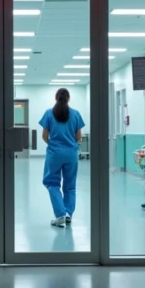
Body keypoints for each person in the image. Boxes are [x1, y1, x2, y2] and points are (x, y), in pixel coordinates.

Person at [39, 88, 85, 228]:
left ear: (56, 98)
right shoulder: (76, 114)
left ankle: (60, 215)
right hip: (71, 154)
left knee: (51, 183)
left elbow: (44, 136)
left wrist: (54, 145)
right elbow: (79, 137)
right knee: (70, 186)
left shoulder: (48, 113)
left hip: (54, 153)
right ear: (68, 99)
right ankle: (68, 214)